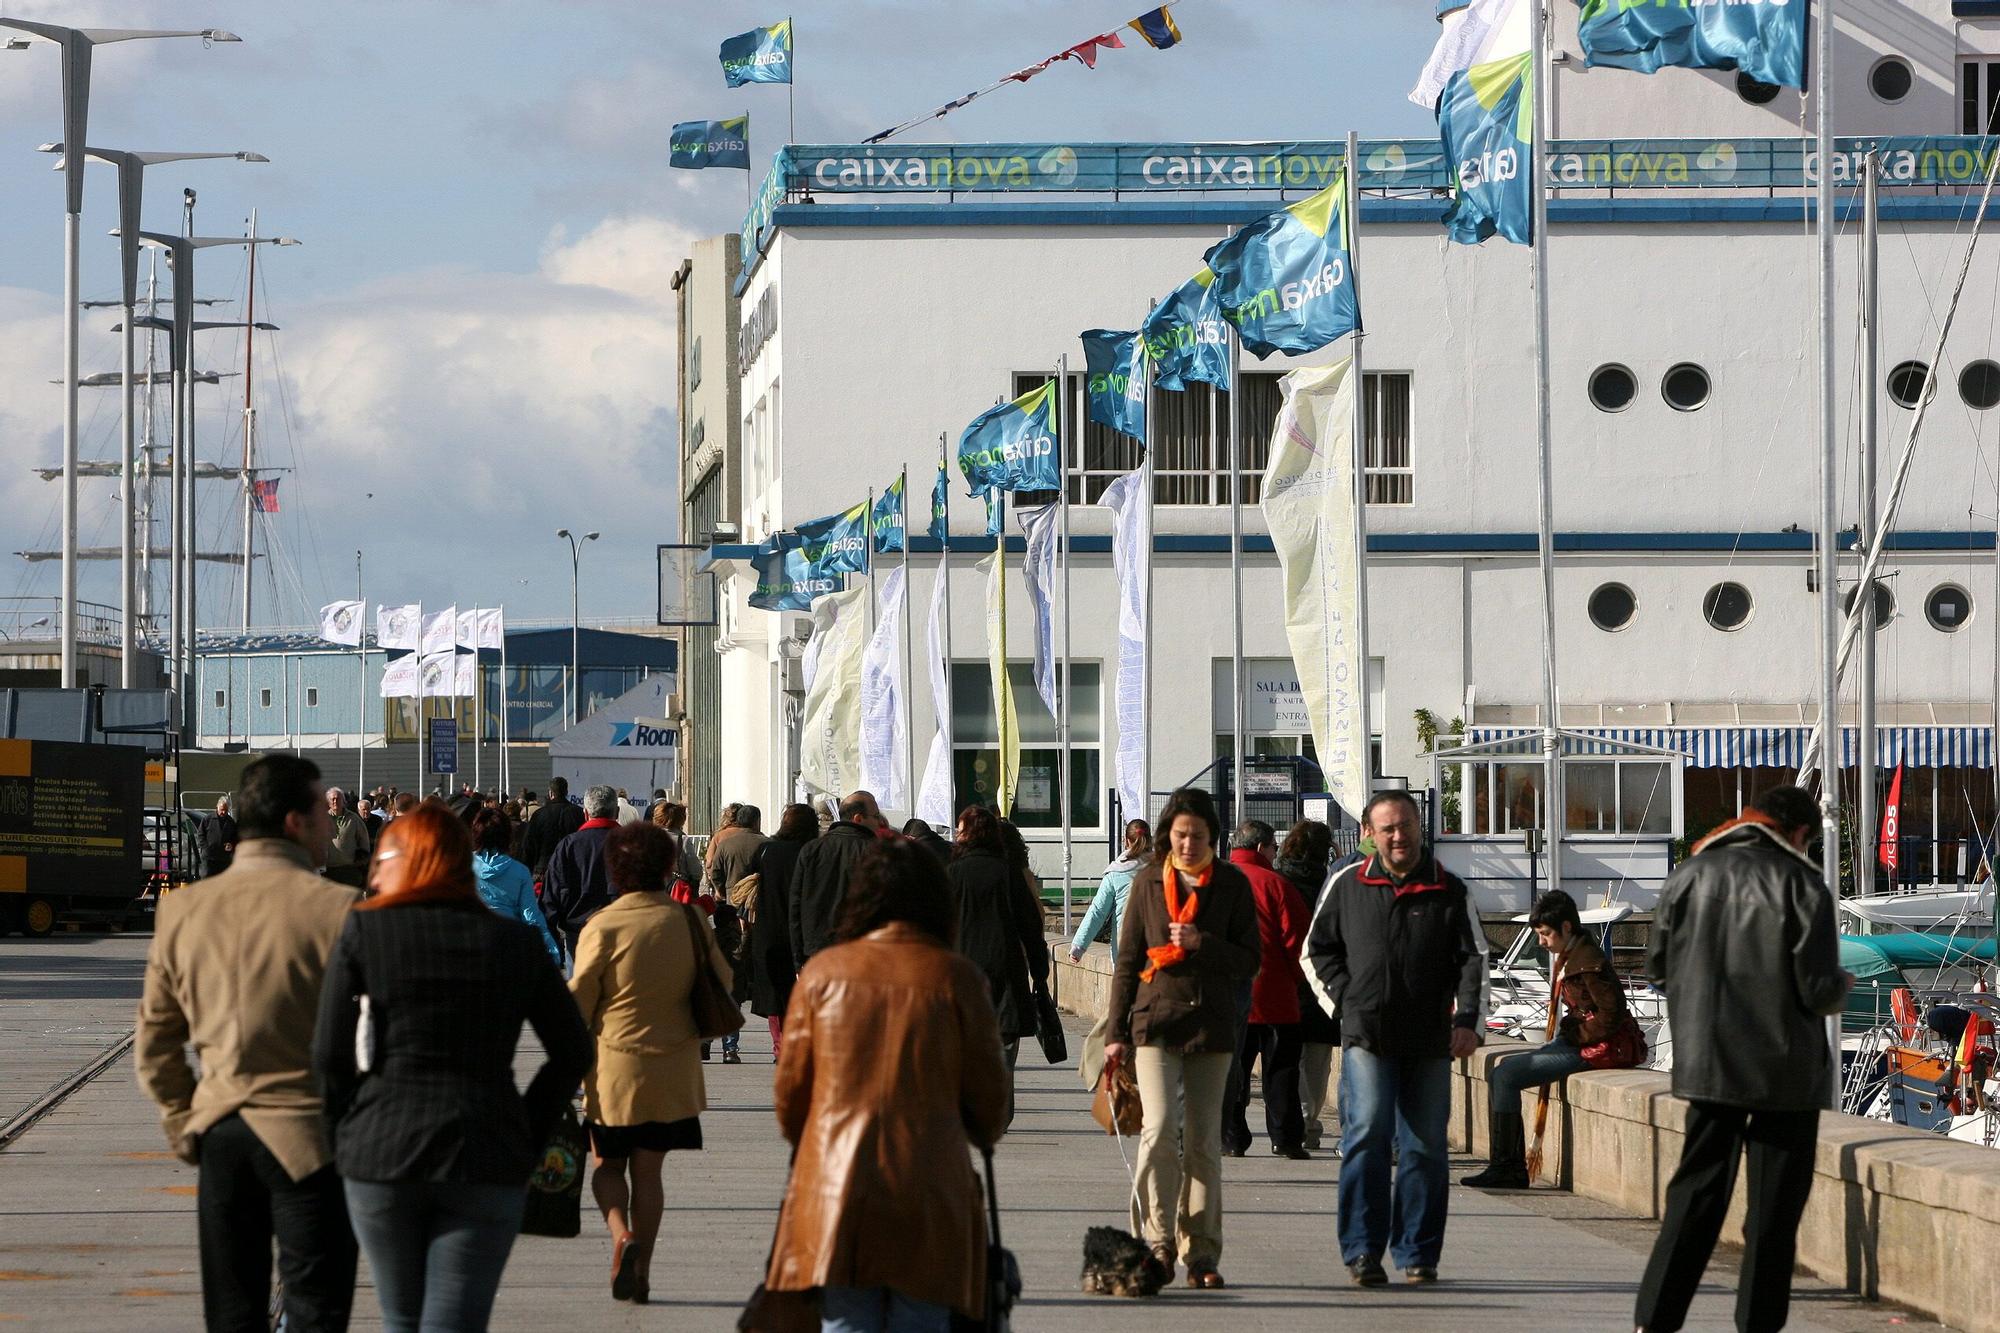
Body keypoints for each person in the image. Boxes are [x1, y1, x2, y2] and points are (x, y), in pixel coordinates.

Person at [312, 804, 591, 1333]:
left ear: (406, 863)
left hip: (381, 1150)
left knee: (400, 1317)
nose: (373, 873)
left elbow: (329, 1055)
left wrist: (345, 1131)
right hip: (486, 1145)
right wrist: (526, 1130)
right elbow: (573, 1051)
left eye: (382, 860)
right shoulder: (515, 944)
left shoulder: (364, 933)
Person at [135, 754, 362, 1332]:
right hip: (312, 1137)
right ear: (295, 822)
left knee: (232, 1315)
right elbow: (377, 1036)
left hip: (222, 1135)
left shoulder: (184, 909)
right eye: (320, 811)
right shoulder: (341, 911)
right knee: (315, 1310)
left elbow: (156, 1044)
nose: (327, 825)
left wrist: (186, 1122)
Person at [761, 840, 1011, 1330]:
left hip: (836, 1191)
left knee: (845, 1322)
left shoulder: (821, 976)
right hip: (930, 1190)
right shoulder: (957, 979)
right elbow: (990, 1106)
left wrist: (815, 1142)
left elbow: (790, 1099)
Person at [1634, 787, 1854, 1333]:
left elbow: (1657, 968)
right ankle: (1757, 1325)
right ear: (1800, 834)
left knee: (1694, 1198)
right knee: (1773, 1215)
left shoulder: (1691, 874)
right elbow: (1819, 990)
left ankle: (1654, 1321)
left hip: (1708, 1066)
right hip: (1785, 1072)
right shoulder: (1803, 884)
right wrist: (1843, 984)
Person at [1305, 790, 1487, 1287]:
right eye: (1387, 828)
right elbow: (1315, 951)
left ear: (1418, 827)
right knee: (1366, 1138)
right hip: (1367, 1035)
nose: (1398, 836)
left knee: (1426, 1147)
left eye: (1405, 825)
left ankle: (1418, 1253)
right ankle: (1362, 1251)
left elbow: (1473, 959)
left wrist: (1469, 1019)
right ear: (1370, 833)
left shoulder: (1449, 890)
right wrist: (1344, 1003)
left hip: (1430, 1039)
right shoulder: (1347, 885)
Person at [570, 822, 735, 1305]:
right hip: (672, 1071)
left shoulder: (603, 924)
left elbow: (579, 1001)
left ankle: (621, 1236)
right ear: (667, 866)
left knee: (606, 1168)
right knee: (650, 1174)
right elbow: (722, 980)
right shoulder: (688, 921)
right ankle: (642, 1269)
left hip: (613, 1070)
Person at [1103, 788, 1260, 1290]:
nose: (1188, 843)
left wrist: (1202, 943)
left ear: (1212, 835)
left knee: (1202, 1143)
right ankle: (1156, 1242)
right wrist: (1114, 1033)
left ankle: (1201, 1253)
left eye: (1197, 835)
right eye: (1179, 834)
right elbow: (1128, 960)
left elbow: (1250, 960)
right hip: (1155, 1021)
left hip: (1212, 1024)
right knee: (1159, 1131)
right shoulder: (1149, 881)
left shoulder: (1232, 885)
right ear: (1167, 834)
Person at [1460, 889, 1630, 1189]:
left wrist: (1574, 1036)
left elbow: (1611, 1016)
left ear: (1566, 927)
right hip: (1582, 1040)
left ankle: (1509, 1166)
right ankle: (1506, 1164)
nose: (1541, 942)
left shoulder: (1587, 960)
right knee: (1503, 1072)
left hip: (1593, 1046)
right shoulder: (1574, 953)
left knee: (1505, 1075)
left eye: (1545, 933)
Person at [946, 805, 1052, 1130]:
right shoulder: (1007, 872)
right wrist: (1039, 973)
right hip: (1005, 968)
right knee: (1004, 1044)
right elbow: (1030, 925)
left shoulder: (952, 874)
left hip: (963, 972)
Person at [1220, 820, 1311, 1159]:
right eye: (1274, 848)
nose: (1275, 854)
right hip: (1276, 996)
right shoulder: (1277, 884)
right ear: (1261, 848)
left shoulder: (1214, 883)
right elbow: (1298, 942)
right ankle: (1285, 1138)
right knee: (1281, 1071)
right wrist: (1297, 981)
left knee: (1232, 1070)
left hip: (1228, 996)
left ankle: (1231, 1136)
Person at [1273, 819, 1338, 1148]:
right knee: (1317, 1060)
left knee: (1286, 1056)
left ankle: (1287, 1124)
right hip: (1322, 979)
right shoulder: (1332, 881)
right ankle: (1309, 1123)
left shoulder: (1278, 878)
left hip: (1286, 978)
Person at [746, 803, 817, 1062]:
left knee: (775, 995)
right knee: (800, 992)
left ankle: (781, 1047)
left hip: (769, 928)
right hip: (802, 929)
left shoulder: (767, 850)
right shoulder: (810, 851)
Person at [789, 790, 887, 965]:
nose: (880, 821)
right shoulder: (876, 852)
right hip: (862, 952)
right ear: (858, 818)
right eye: (876, 815)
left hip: (817, 953)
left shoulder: (811, 850)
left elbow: (795, 906)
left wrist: (798, 959)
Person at [469, 806, 563, 967]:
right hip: (508, 946)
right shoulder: (519, 871)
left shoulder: (461, 866)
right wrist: (551, 950)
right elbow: (531, 916)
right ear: (507, 836)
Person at [542, 785, 621, 962]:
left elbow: (552, 892)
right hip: (622, 931)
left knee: (579, 985)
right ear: (616, 811)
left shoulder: (569, 845)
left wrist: (551, 931)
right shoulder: (632, 843)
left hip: (578, 931)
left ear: (586, 813)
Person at [1070, 819, 1149, 961]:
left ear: (1125, 840)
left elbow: (1098, 912)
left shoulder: (1115, 874)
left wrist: (1078, 946)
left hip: (1125, 947)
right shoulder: (1163, 869)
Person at [519, 776, 585, 882]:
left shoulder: (539, 814)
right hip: (572, 869)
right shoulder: (578, 813)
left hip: (543, 870)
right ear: (566, 791)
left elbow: (528, 845)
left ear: (550, 793)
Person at [706, 803, 766, 898]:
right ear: (757, 821)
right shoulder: (766, 842)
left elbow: (712, 866)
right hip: (759, 895)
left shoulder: (722, 840)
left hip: (733, 894)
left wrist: (721, 891)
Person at [324, 786, 373, 889]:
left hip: (349, 869)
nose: (335, 801)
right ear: (328, 802)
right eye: (332, 799)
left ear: (344, 801)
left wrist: (362, 860)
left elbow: (364, 840)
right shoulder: (323, 819)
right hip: (328, 870)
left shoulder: (354, 819)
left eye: (338, 799)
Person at [650, 799, 705, 891]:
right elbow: (696, 871)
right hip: (677, 893)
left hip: (653, 893)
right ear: (680, 820)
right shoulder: (683, 840)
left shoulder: (647, 839)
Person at [200, 794, 238, 878]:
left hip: (223, 858)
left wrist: (231, 844)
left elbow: (235, 837)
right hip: (209, 858)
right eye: (222, 810)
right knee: (206, 880)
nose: (223, 812)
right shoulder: (208, 819)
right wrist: (206, 848)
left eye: (226, 810)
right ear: (217, 807)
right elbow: (201, 835)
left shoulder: (231, 822)